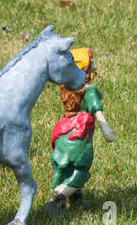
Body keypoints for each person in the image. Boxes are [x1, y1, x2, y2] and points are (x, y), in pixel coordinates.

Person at [44, 48, 115, 214]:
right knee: (81, 169)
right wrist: (106, 129)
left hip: (63, 131)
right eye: (92, 64)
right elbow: (96, 110)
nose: (95, 66)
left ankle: (76, 200)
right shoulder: (88, 90)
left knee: (67, 166)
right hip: (79, 135)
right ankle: (56, 199)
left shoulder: (65, 87)